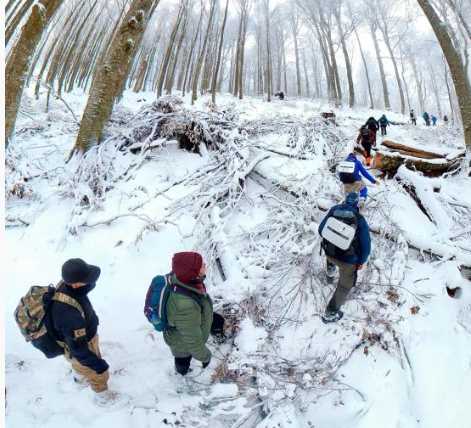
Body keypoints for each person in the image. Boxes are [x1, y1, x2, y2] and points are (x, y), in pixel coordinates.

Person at [46, 259, 112, 398]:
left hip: (78, 339)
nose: (90, 282)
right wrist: (99, 366)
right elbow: (79, 350)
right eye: (87, 279)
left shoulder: (67, 286)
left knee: (79, 364)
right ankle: (103, 397)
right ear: (76, 284)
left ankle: (79, 378)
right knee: (97, 373)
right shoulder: (68, 316)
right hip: (81, 345)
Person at [318, 192, 371, 323]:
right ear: (357, 204)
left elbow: (321, 229)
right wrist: (361, 261)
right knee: (344, 286)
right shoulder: (359, 219)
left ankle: (329, 275)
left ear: (345, 200)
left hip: (329, 253)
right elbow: (366, 246)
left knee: (331, 257)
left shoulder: (334, 210)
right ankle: (331, 313)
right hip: (348, 260)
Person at [163, 252, 213, 376]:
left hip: (184, 328)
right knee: (183, 360)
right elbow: (193, 341)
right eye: (201, 265)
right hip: (181, 344)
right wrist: (205, 357)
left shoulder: (183, 279)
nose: (205, 265)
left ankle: (181, 370)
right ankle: (181, 374)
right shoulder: (185, 305)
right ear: (193, 273)